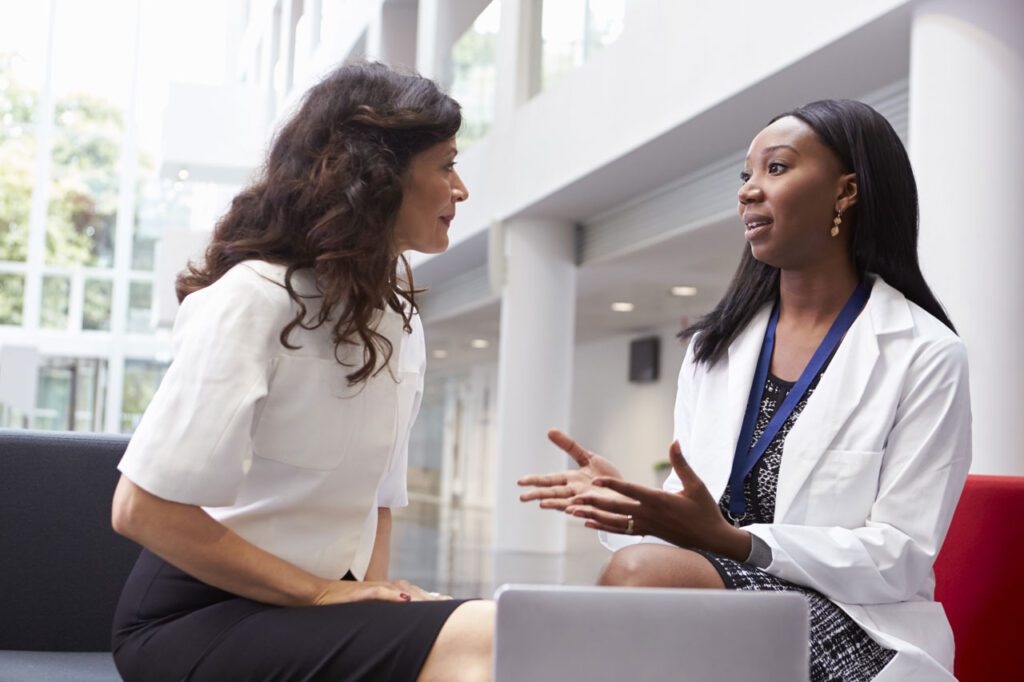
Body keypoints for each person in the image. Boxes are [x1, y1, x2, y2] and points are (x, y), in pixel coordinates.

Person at [519, 99, 971, 680]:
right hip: (717, 584)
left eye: (776, 168)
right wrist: (639, 505)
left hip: (854, 619)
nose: (748, 191)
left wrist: (739, 544)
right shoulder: (715, 346)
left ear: (846, 192)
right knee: (634, 587)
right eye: (745, 175)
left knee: (638, 581)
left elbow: (900, 557)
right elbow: (699, 506)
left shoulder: (926, 353)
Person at [110, 62, 494, 682]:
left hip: (308, 610)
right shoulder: (252, 299)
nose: (461, 188)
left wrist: (381, 609)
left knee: (492, 637)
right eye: (446, 164)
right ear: (381, 177)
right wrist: (319, 596)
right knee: (487, 635)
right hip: (194, 618)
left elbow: (379, 505)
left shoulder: (398, 317)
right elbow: (140, 510)